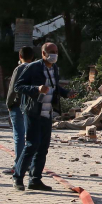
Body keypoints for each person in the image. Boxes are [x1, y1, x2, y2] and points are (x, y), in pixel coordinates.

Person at [12, 42, 73, 192]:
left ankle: (35, 179)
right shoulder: (32, 67)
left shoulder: (54, 68)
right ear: (43, 54)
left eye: (56, 51)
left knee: (43, 148)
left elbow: (54, 86)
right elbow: (18, 86)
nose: (54, 54)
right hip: (33, 112)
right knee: (32, 145)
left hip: (47, 113)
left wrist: (66, 93)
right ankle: (18, 178)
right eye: (51, 51)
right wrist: (36, 89)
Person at [5, 47, 35, 175]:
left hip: (18, 106)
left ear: (19, 56)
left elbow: (12, 89)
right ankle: (30, 163)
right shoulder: (37, 68)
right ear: (32, 57)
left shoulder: (19, 69)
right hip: (32, 106)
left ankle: (19, 164)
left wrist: (9, 104)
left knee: (19, 135)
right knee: (31, 136)